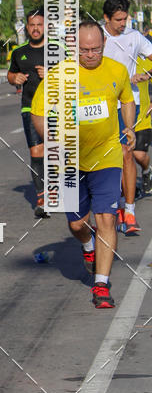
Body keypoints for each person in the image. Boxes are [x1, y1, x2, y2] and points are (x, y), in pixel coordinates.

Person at [31, 20, 135, 309]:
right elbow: (39, 114)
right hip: (70, 161)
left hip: (107, 157)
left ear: (104, 45)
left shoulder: (116, 70)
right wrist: (50, 139)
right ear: (74, 47)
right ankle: (88, 245)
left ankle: (100, 285)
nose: (90, 55)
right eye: (84, 50)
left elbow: (126, 99)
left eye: (96, 49)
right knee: (77, 223)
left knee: (106, 219)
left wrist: (129, 127)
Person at [102, 0, 152, 234]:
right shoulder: (96, 38)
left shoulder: (134, 37)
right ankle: (118, 203)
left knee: (126, 152)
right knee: (109, 158)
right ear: (106, 18)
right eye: (118, 20)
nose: (123, 23)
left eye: (125, 18)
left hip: (129, 102)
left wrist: (147, 75)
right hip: (101, 106)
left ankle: (129, 211)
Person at [7, 8, 47, 218]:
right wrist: (15, 79)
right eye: (32, 25)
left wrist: (51, 74)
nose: (35, 28)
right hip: (30, 107)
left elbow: (74, 72)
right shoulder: (18, 52)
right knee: (36, 152)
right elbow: (11, 74)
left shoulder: (57, 49)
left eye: (39, 24)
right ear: (27, 27)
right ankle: (41, 199)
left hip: (56, 109)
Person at [133, 57, 152, 196]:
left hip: (142, 118)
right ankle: (129, 189)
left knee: (138, 154)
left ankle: (146, 171)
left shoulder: (146, 59)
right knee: (124, 155)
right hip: (121, 115)